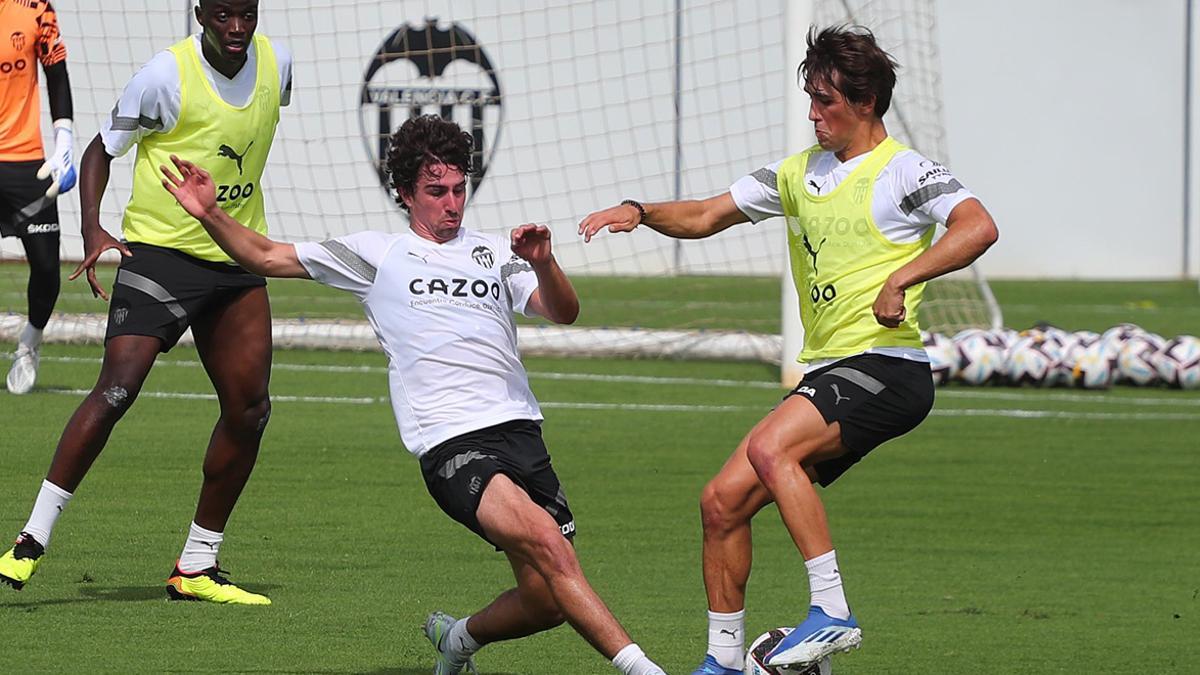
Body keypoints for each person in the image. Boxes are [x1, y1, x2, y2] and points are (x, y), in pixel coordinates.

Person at [158, 114, 667, 675]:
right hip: (451, 442)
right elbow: (265, 256)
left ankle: (458, 641)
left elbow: (563, 312)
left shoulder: (497, 251)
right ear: (405, 194)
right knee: (548, 544)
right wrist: (209, 212)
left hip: (522, 433)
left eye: (458, 189)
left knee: (548, 600)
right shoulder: (377, 255)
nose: (452, 203)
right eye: (435, 192)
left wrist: (544, 262)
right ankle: (645, 669)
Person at [580, 25, 999, 674]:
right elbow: (707, 214)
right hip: (834, 370)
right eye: (809, 98)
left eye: (825, 101)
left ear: (865, 102)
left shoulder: (906, 171)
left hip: (888, 366)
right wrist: (639, 210)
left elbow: (978, 226)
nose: (812, 114)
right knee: (721, 500)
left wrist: (902, 277)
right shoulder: (798, 173)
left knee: (770, 447)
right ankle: (721, 661)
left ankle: (831, 610)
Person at [0, 0, 292, 605]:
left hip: (235, 259)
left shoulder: (277, 65)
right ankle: (29, 542)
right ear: (199, 14)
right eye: (222, 16)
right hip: (158, 258)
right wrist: (94, 229)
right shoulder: (163, 76)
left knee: (250, 410)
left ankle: (197, 567)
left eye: (247, 15)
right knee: (117, 389)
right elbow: (101, 151)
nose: (236, 29)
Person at [0, 0, 76, 394]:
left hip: (25, 161)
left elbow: (56, 71)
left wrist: (65, 136)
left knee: (47, 266)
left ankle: (29, 344)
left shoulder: (34, 7)